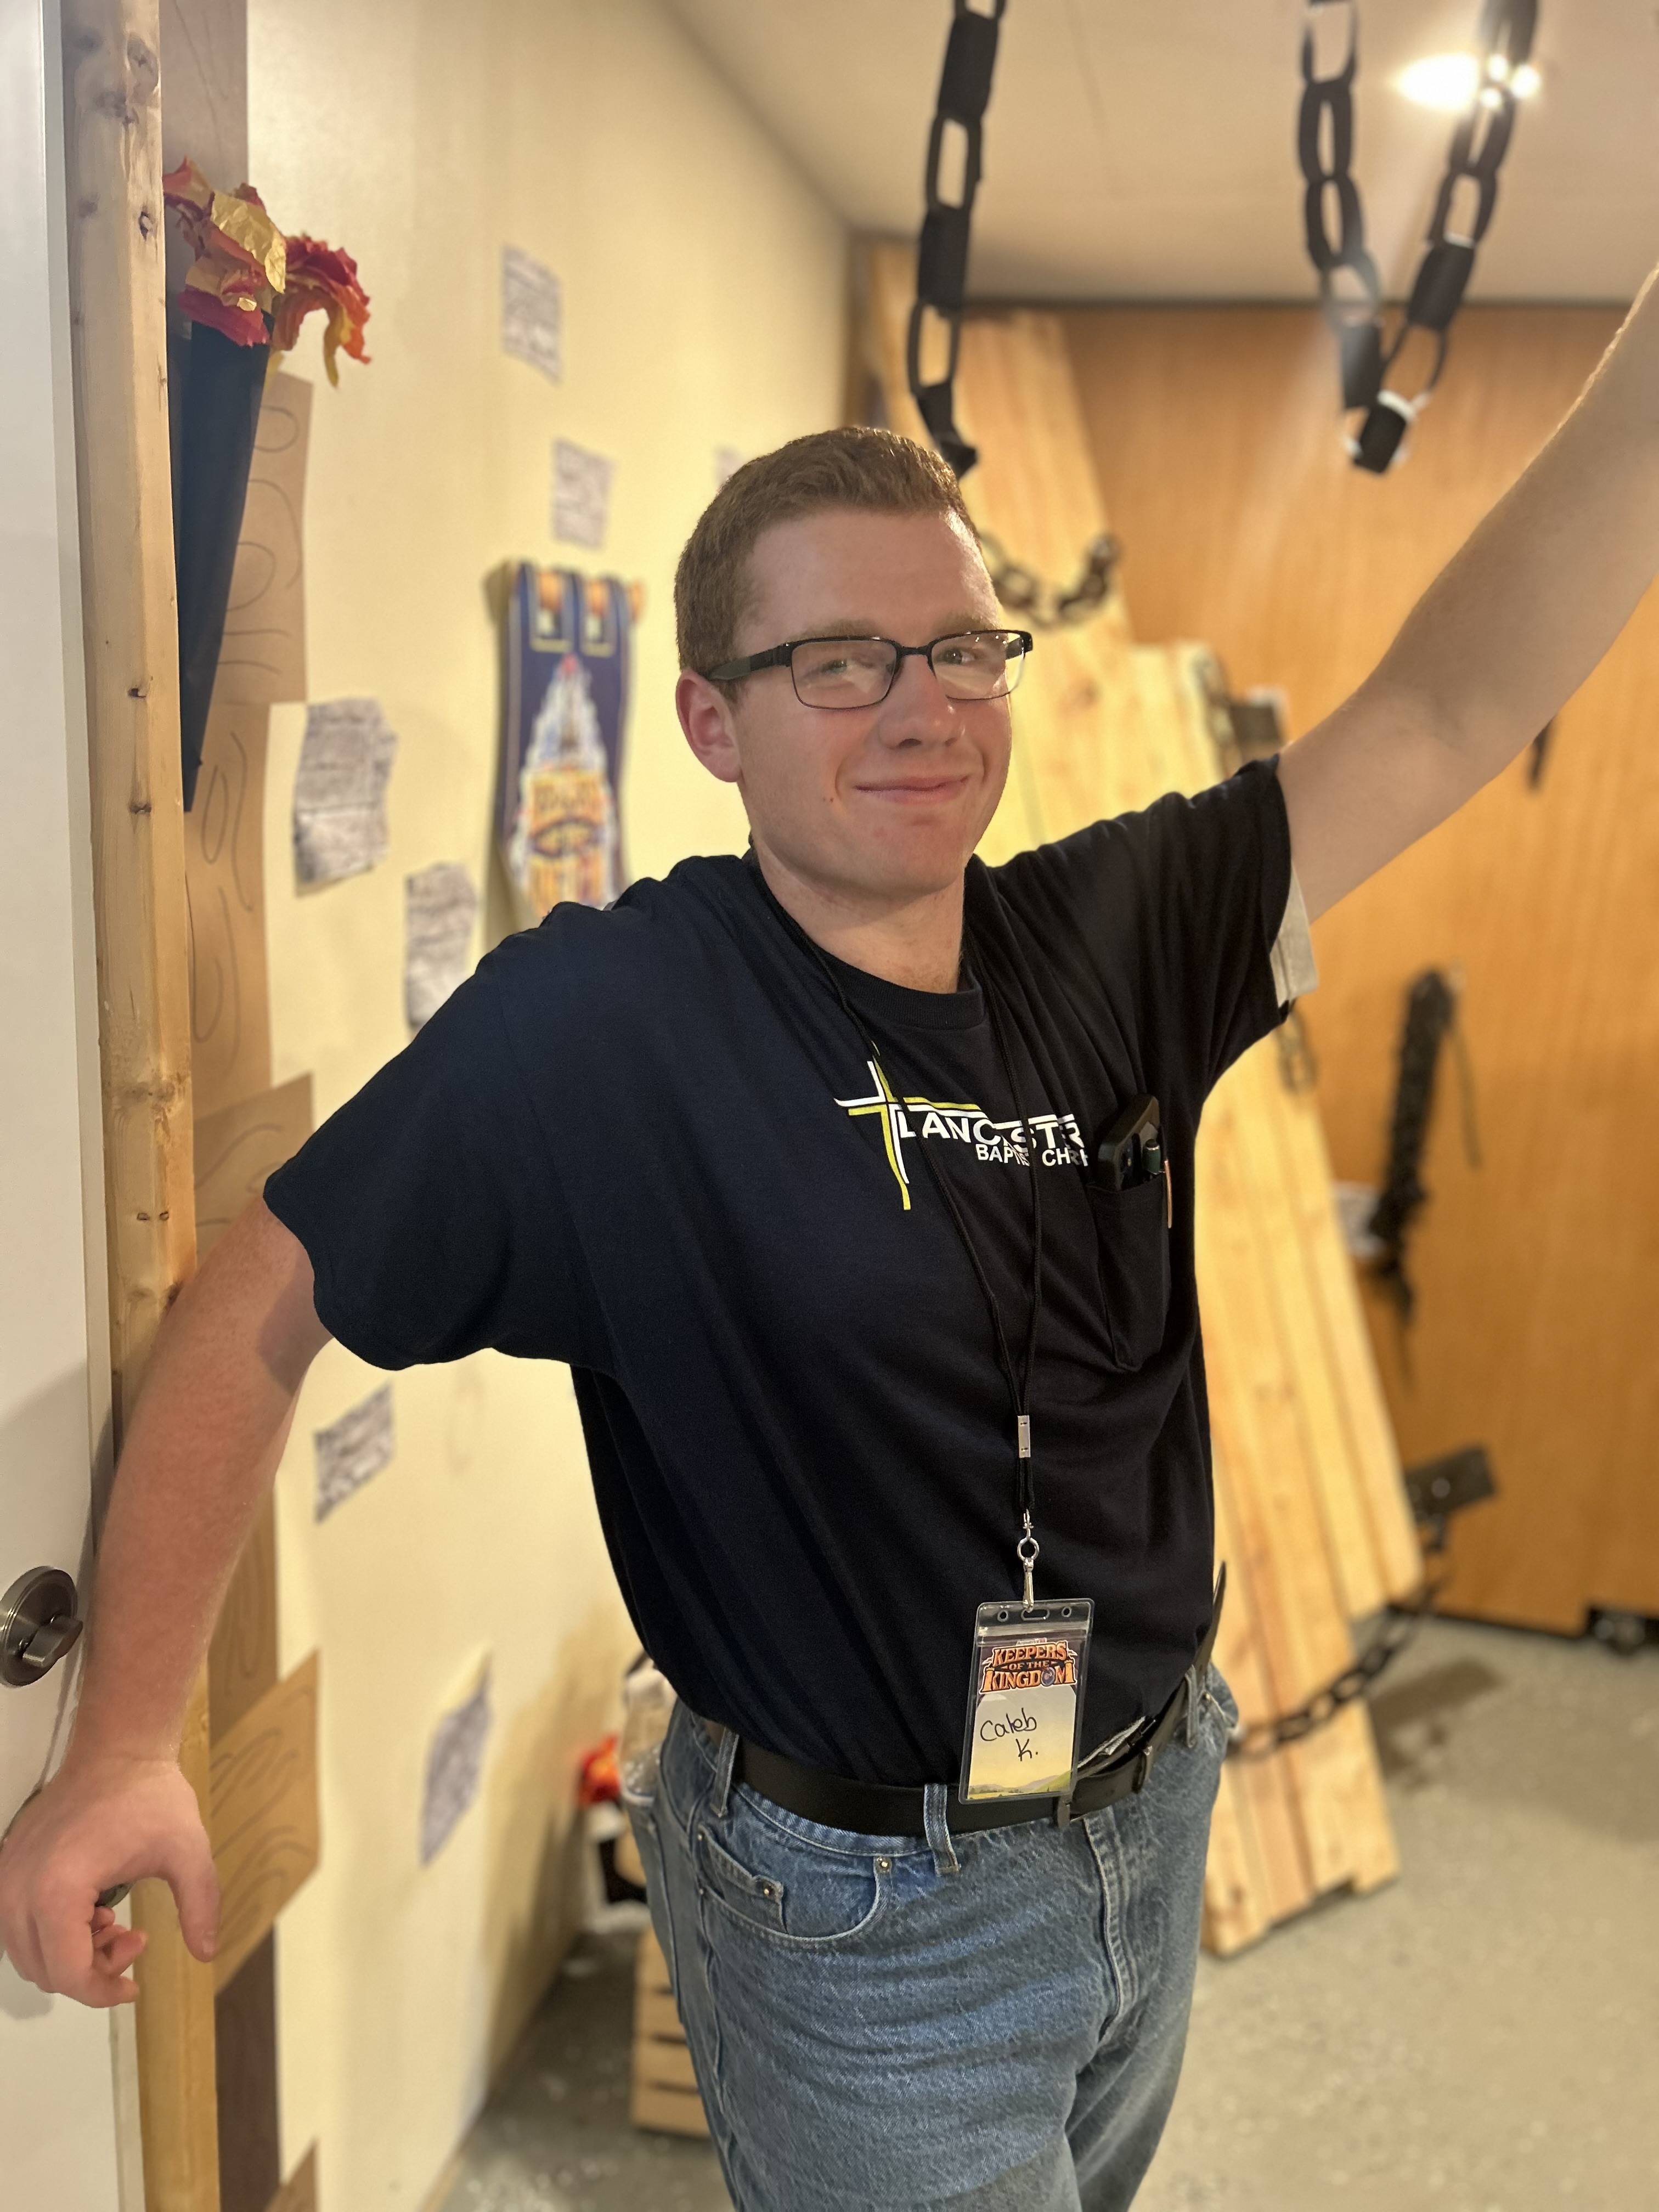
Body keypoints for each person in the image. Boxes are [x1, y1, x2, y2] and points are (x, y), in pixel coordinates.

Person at [4, 281, 1658, 2208]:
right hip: (865, 1917)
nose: (926, 707)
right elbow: (253, 1311)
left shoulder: (1121, 932)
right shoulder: (607, 1029)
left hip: (1150, 1796)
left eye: (963, 647)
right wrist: (123, 1744)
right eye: (844, 662)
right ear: (712, 720)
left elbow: (1454, 704)